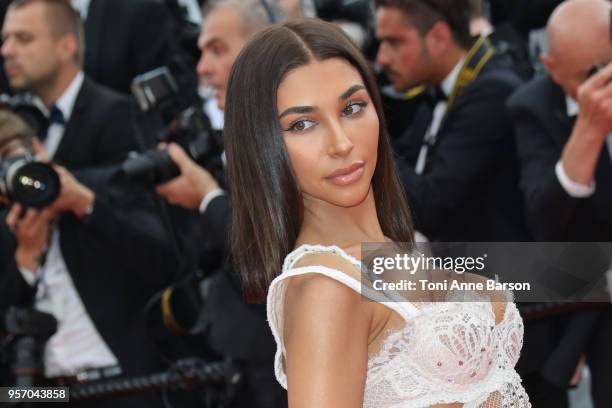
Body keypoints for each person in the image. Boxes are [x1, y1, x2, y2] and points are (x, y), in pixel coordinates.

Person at [221, 17, 530, 407]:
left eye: (352, 107)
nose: (341, 142)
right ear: (261, 145)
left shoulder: (390, 252)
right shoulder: (328, 286)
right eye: (302, 123)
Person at [0, 1, 179, 406]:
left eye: (23, 38)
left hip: (122, 382)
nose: (7, 49)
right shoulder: (10, 134)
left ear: (66, 46)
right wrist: (26, 256)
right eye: (5, 38)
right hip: (38, 389)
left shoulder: (119, 118)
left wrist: (84, 202)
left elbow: (163, 256)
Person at [506, 0, 612, 406]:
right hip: (591, 298)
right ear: (551, 67)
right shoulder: (532, 106)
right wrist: (589, 127)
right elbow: (544, 221)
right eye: (589, 74)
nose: (603, 83)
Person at [374, 0, 529, 242]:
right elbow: (406, 161)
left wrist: (369, 133)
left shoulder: (492, 94)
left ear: (438, 38)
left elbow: (430, 208)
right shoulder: (442, 87)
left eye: (394, 42)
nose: (381, 58)